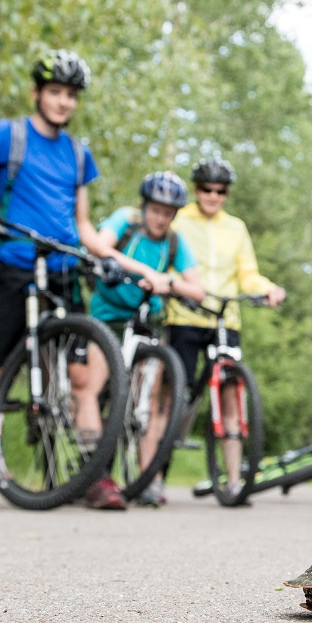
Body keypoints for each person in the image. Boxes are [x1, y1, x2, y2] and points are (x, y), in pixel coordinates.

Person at [0, 49, 172, 509]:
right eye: (55, 92)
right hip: (16, 264)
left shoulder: (78, 155)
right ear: (37, 93)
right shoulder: (8, 135)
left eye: (70, 95)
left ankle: (93, 475)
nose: (63, 102)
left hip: (65, 268)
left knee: (83, 375)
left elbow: (84, 226)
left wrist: (108, 260)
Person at [81, 171, 205, 509]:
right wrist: (144, 271)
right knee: (93, 387)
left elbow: (197, 289)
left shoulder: (175, 244)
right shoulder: (126, 220)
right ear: (145, 206)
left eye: (168, 213)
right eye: (155, 210)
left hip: (145, 323)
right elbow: (98, 245)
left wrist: (167, 281)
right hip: (107, 317)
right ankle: (92, 473)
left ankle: (146, 478)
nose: (160, 218)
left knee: (147, 402)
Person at [164, 158, 286, 497]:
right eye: (206, 189)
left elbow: (247, 272)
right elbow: (166, 259)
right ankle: (156, 477)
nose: (213, 196)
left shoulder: (236, 228)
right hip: (184, 315)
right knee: (174, 393)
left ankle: (234, 481)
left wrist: (267, 288)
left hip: (225, 319)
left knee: (232, 395)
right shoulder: (179, 220)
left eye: (220, 191)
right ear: (196, 189)